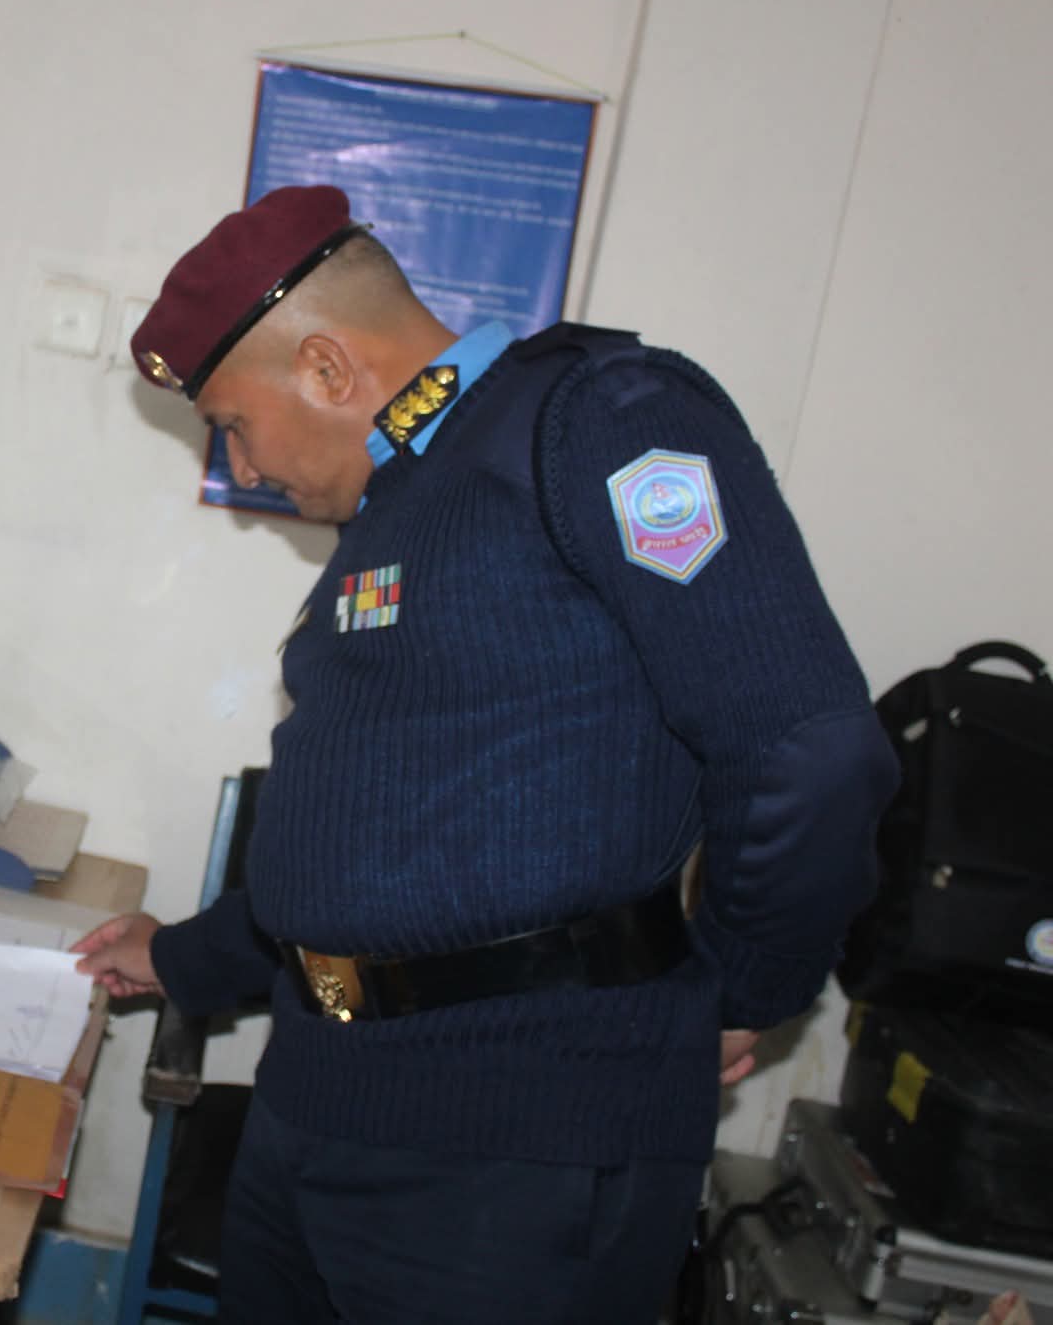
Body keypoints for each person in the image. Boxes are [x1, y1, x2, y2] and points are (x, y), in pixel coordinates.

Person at [73, 184, 899, 1324]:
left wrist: (739, 987)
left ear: (325, 367)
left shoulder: (597, 422)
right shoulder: (406, 498)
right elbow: (389, 840)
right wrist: (186, 957)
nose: (243, 466)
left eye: (233, 422)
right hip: (318, 1107)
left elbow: (806, 748)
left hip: (514, 1153)